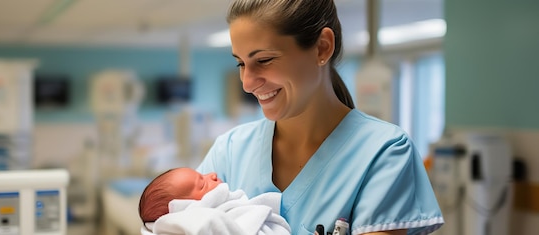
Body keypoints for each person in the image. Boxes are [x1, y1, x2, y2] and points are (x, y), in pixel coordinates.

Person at [196, 1, 444, 235]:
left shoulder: (385, 153)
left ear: (322, 47)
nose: (247, 83)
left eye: (264, 60)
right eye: (241, 63)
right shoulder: (229, 152)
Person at [138, 167, 290, 235]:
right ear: (186, 208)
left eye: (202, 175)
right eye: (203, 184)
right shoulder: (205, 221)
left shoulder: (232, 209)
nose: (212, 174)